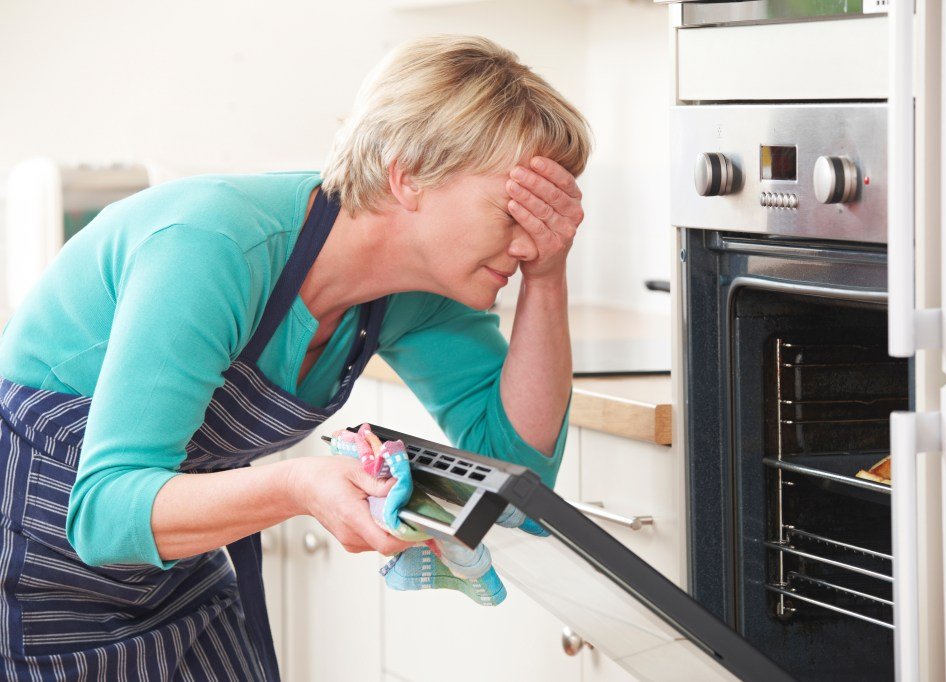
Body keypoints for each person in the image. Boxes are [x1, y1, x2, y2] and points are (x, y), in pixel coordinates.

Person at [0, 34, 591, 680]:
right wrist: (298, 485)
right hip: (32, 565)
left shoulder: (410, 295)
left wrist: (549, 278)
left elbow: (516, 481)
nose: (528, 240)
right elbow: (103, 514)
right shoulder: (213, 248)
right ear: (408, 174)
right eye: (514, 209)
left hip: (166, 572)